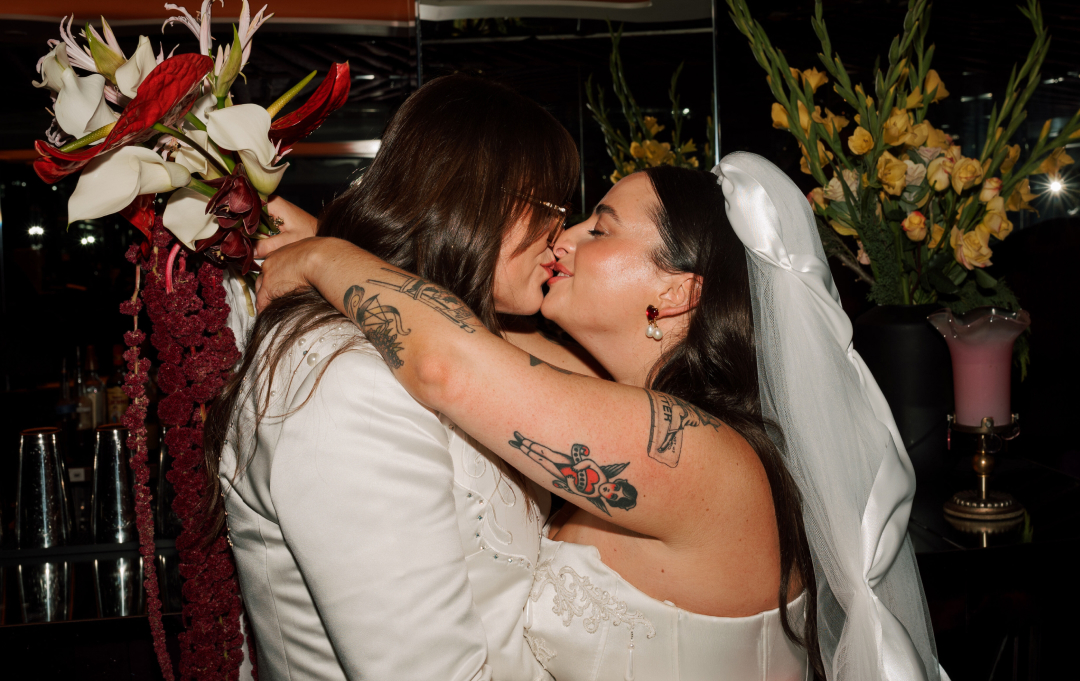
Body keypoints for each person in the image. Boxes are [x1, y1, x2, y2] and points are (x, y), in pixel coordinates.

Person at [257, 155, 947, 680]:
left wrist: (322, 257)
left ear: (674, 292)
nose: (564, 238)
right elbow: (452, 323)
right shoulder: (632, 406)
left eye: (601, 227)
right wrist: (345, 237)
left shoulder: (700, 456)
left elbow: (448, 364)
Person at [205, 73, 588, 681]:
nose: (562, 237)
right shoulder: (344, 382)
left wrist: (333, 253)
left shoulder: (458, 350)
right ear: (475, 197)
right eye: (550, 207)